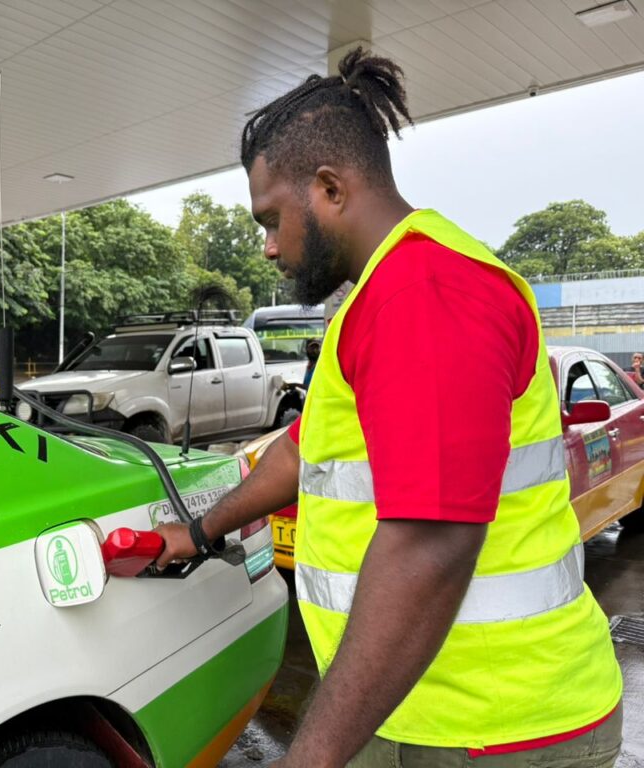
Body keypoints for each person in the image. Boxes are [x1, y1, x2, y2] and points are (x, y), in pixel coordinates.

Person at [154, 48, 622, 768]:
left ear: (331, 189)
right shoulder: (382, 298)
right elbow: (302, 454)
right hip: (423, 709)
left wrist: (310, 757)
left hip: (502, 729)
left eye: (272, 219)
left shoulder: (427, 293)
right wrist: (199, 529)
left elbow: (431, 545)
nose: (270, 248)